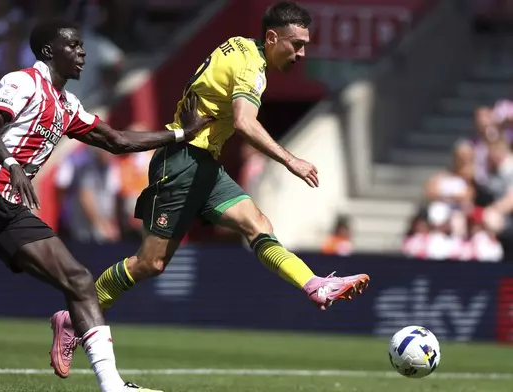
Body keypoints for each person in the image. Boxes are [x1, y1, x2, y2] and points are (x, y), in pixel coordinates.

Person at [0, 18, 212, 392]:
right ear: (50, 51)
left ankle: (112, 385)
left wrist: (181, 133)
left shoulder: (67, 104)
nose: (83, 53)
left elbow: (116, 139)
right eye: (74, 46)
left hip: (11, 206)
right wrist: (13, 165)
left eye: (82, 46)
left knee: (79, 279)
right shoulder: (23, 82)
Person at [50, 1, 370, 379]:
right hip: (182, 161)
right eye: (295, 44)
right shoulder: (252, 67)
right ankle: (72, 318)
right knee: (150, 263)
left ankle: (313, 284)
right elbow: (244, 122)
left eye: (304, 45)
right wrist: (291, 160)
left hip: (204, 164)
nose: (301, 53)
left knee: (258, 224)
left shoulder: (240, 45)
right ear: (271, 37)